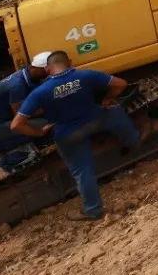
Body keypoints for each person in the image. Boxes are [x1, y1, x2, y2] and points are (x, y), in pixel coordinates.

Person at [12, 50, 139, 221]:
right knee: (114, 111)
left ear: (48, 69)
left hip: (69, 135)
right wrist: (108, 99)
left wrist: (39, 132)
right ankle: (134, 140)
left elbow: (16, 125)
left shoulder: (40, 92)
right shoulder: (86, 75)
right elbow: (121, 84)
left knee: (82, 171)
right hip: (95, 121)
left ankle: (93, 210)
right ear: (70, 62)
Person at [0, 52, 50, 180]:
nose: (49, 72)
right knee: (45, 125)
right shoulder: (17, 86)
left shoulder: (26, 76)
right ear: (38, 68)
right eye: (47, 70)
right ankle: (1, 161)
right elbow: (21, 115)